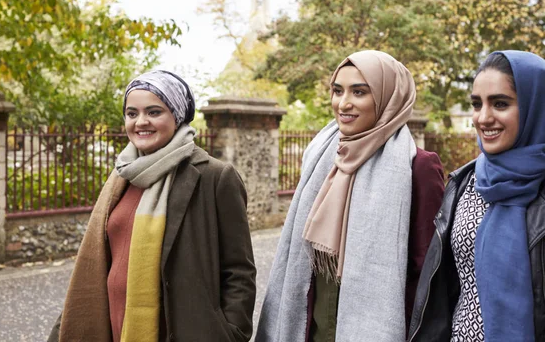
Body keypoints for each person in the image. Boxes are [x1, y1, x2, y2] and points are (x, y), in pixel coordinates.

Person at [48, 70, 256, 342]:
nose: (140, 122)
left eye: (154, 112)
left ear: (177, 116)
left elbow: (239, 271)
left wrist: (231, 333)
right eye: (132, 113)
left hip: (185, 331)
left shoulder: (214, 177)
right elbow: (94, 262)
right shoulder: (121, 176)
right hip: (112, 326)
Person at [255, 50, 445, 342]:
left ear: (387, 97)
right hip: (313, 329)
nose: (343, 103)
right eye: (337, 91)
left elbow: (428, 273)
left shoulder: (417, 166)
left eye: (359, 92)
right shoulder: (321, 157)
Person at [408, 51, 545, 341]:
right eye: (476, 104)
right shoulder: (464, 183)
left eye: (500, 103)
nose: (483, 118)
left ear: (536, 105)